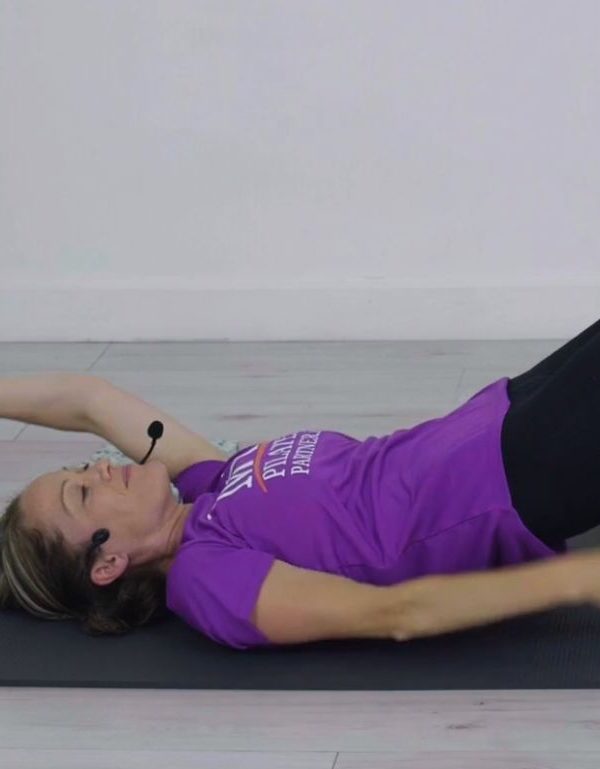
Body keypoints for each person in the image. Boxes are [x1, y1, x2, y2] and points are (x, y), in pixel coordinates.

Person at [3, 319, 600, 649]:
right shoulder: (206, 575)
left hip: (503, 410)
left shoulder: (210, 484)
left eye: (81, 468)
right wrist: (572, 580)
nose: (100, 467)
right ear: (106, 563)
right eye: (82, 491)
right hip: (521, 474)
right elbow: (393, 613)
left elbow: (87, 401)